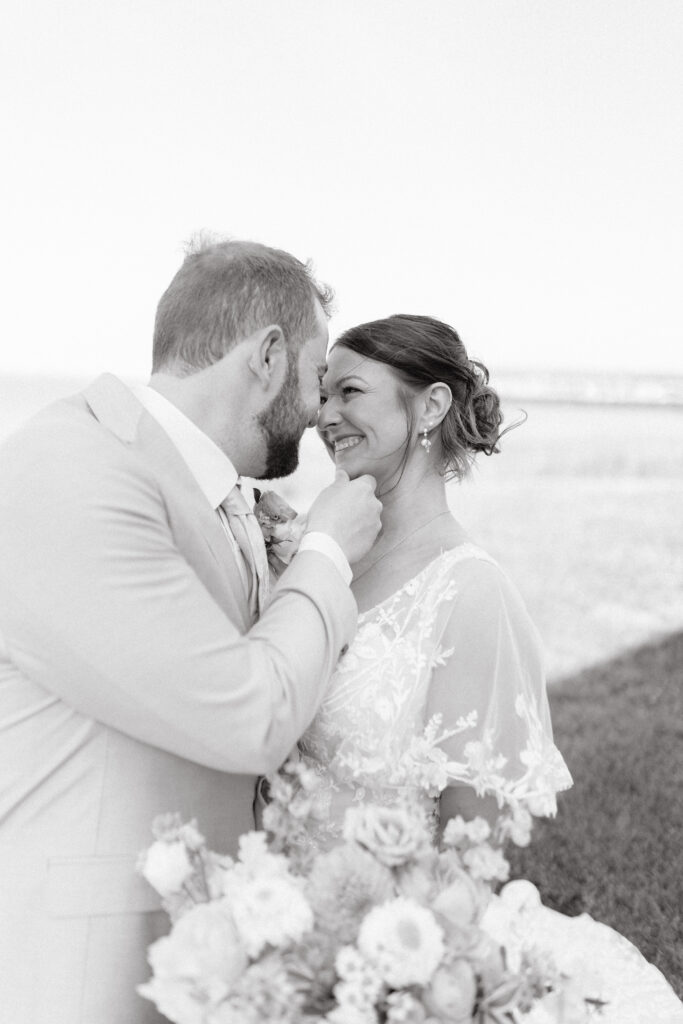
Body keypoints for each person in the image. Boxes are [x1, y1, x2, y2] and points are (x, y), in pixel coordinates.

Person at [0, 239, 382, 1024]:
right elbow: (247, 716)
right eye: (316, 378)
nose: (319, 411)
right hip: (87, 976)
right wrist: (324, 555)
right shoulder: (72, 468)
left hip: (200, 954)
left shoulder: (206, 488)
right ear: (267, 357)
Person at [296, 313, 573, 849]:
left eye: (349, 392)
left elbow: (469, 847)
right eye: (324, 395)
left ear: (432, 405)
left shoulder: (470, 592)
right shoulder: (316, 550)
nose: (323, 416)